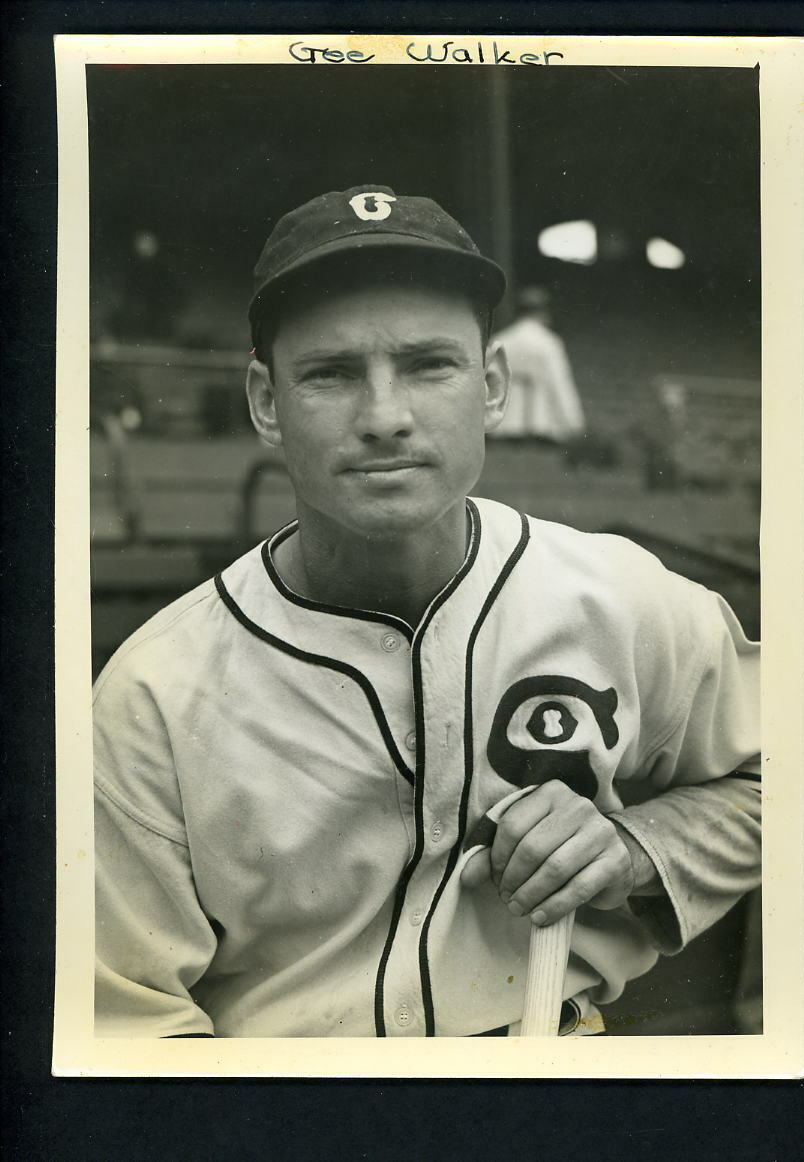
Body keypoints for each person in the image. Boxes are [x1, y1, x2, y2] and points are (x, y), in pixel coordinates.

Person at [93, 185, 761, 1039]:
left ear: (489, 386)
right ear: (266, 403)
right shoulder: (155, 690)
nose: (384, 418)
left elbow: (795, 775)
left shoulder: (621, 597)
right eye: (331, 374)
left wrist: (640, 846)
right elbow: (125, 1026)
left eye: (428, 365)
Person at [489, 285, 586, 444]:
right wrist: (573, 424)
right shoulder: (548, 343)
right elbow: (559, 384)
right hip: (539, 425)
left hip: (503, 425)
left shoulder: (502, 340)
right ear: (543, 312)